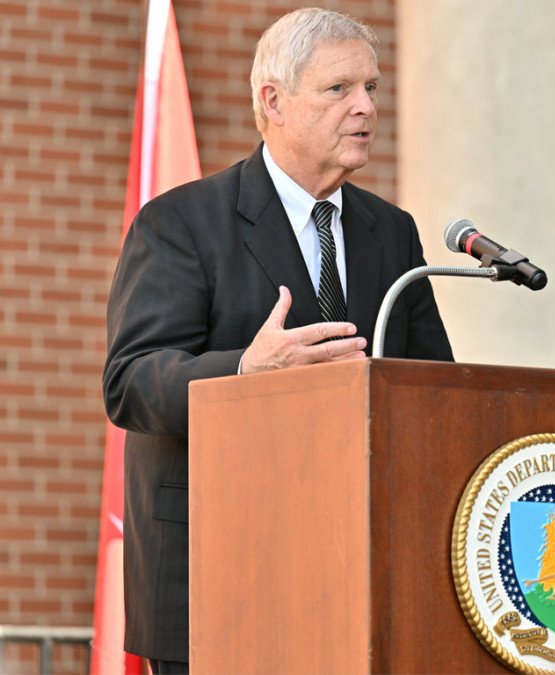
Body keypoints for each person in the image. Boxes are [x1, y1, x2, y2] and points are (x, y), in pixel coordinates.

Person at [102, 8, 453, 672]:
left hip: (358, 577)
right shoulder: (181, 223)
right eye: (339, 89)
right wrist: (244, 372)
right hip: (220, 577)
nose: (366, 108)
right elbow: (130, 382)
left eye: (372, 88)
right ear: (274, 102)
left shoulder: (394, 233)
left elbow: (434, 391)